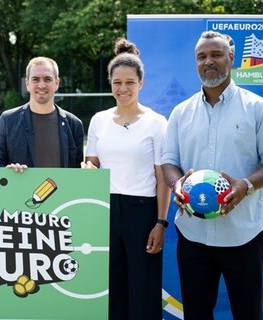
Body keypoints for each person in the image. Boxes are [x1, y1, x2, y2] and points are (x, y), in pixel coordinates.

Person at [161, 31, 263, 319]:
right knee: (196, 313)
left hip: (244, 234)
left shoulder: (258, 108)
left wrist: (245, 185)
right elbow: (168, 162)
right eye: (202, 56)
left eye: (216, 54)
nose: (209, 62)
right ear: (196, 62)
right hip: (193, 235)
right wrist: (176, 183)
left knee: (247, 313)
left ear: (231, 57)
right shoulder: (181, 113)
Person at [82, 38, 170, 319]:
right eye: (117, 82)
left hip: (143, 214)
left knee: (143, 290)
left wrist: (160, 222)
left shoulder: (156, 122)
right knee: (110, 288)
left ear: (141, 83)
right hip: (104, 213)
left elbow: (161, 177)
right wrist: (86, 169)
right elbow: (91, 164)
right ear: (110, 83)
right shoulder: (99, 120)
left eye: (129, 82)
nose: (123, 89)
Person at [0, 56, 84, 170]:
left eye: (47, 79)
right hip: (21, 188)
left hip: (61, 188)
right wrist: (8, 170)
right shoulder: (7, 120)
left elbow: (78, 172)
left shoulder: (74, 124)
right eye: (35, 79)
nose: (41, 85)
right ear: (27, 83)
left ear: (57, 83)